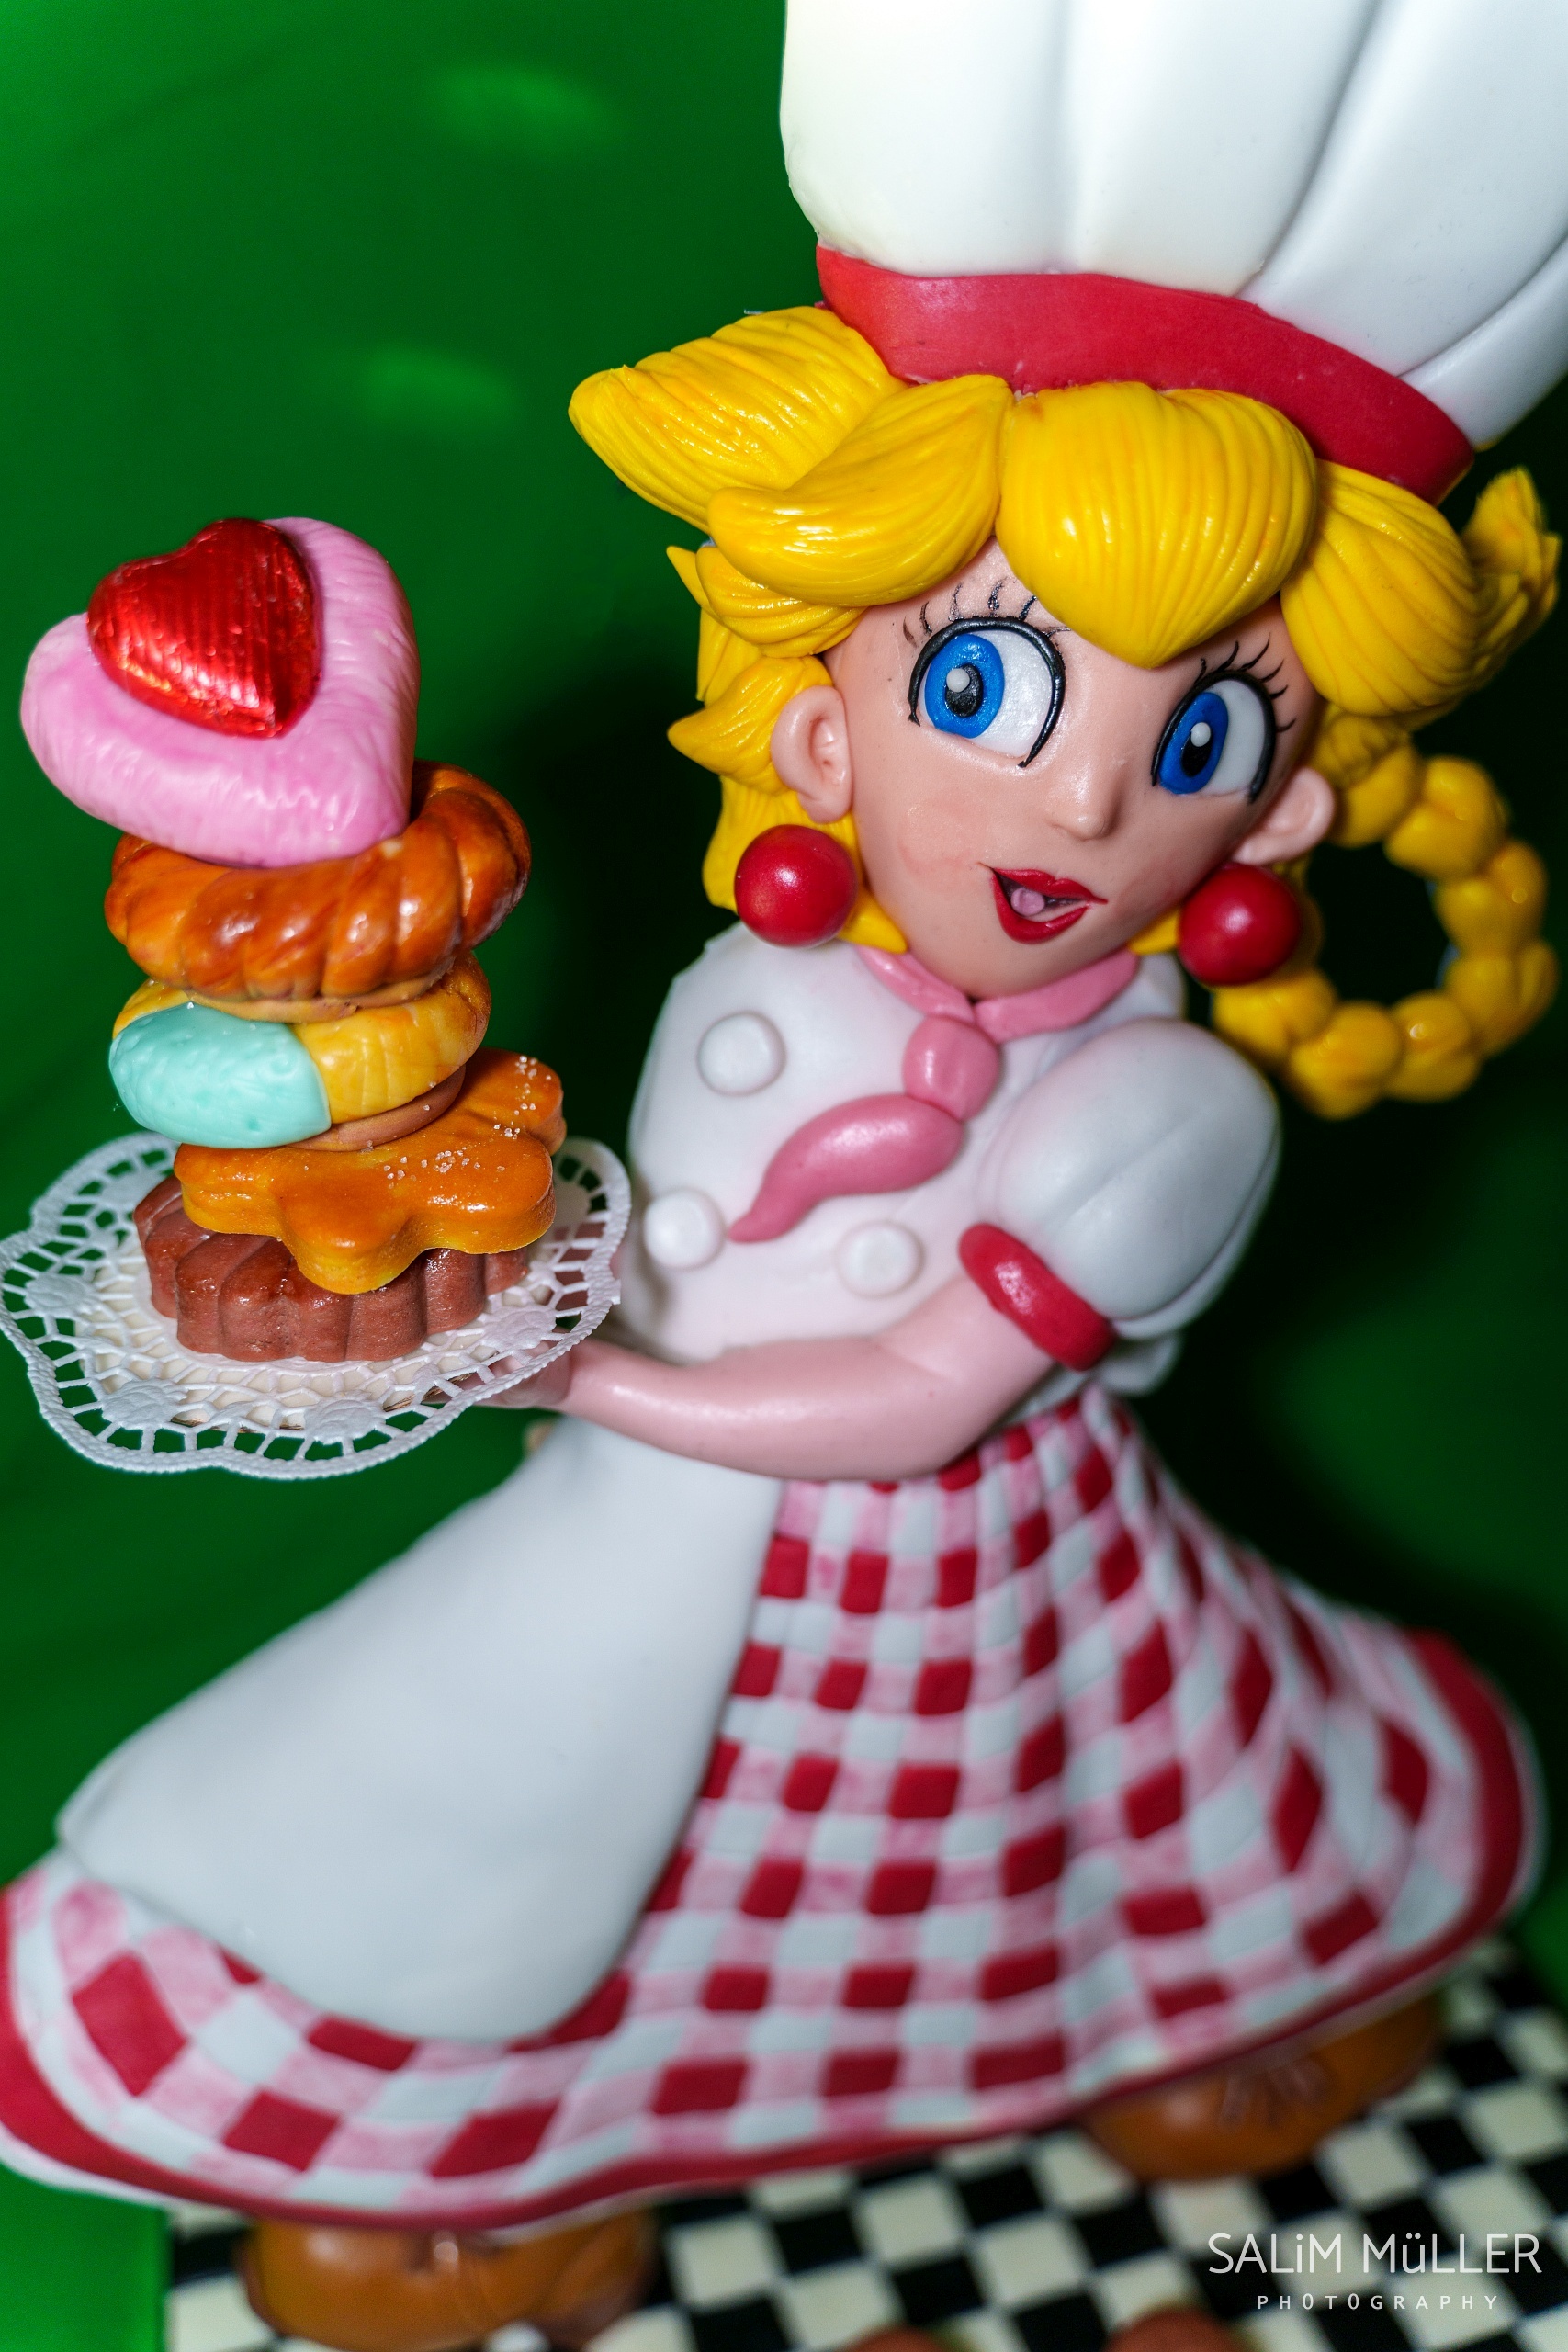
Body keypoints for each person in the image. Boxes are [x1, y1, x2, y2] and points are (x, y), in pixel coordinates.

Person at [1, 9, 1564, 2349]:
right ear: (823, 717)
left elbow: (917, 1393)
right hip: (657, 1515)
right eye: (982, 690)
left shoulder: (1167, 1107)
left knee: (968, 1858)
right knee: (521, 1805)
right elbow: (663, 1219)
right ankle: (475, 2156)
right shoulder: (759, 972)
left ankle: (1217, 2032)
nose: (1074, 801)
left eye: (1195, 731)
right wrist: (462, 1244)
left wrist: (581, 1380)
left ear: (1288, 804)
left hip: (963, 1574)